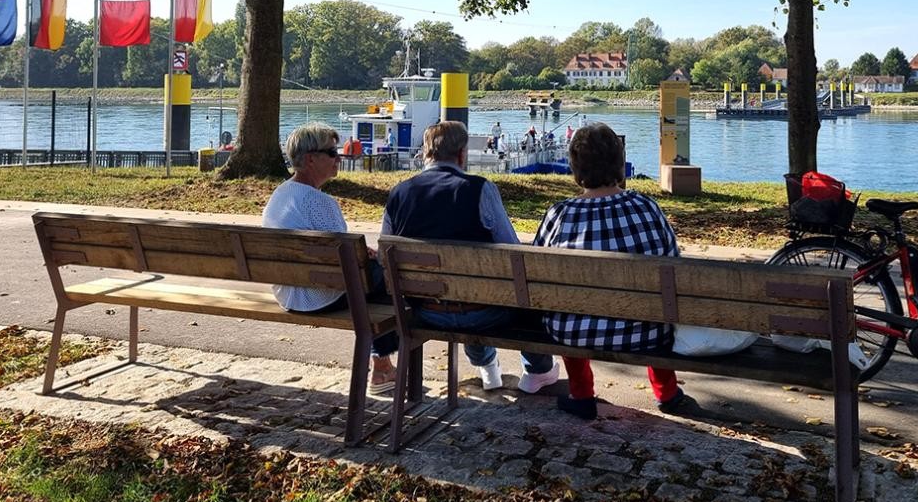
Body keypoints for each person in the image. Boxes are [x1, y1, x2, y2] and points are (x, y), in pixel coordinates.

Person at [533, 122, 696, 420]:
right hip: (646, 332)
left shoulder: (560, 214)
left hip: (574, 333)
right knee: (656, 302)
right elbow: (673, 264)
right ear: (619, 162)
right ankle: (668, 393)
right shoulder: (647, 206)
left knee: (568, 304)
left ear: (575, 167)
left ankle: (581, 394)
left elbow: (536, 272)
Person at [382, 120, 560, 393]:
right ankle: (537, 369)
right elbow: (512, 251)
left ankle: (488, 370)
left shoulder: (398, 193)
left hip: (425, 310)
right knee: (515, 286)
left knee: (466, 289)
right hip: (483, 311)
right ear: (462, 154)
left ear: (426, 153)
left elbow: (386, 253)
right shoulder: (479, 189)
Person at [263, 123, 397, 394]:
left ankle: (382, 366)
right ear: (311, 159)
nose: (339, 158)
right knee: (390, 278)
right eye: (332, 152)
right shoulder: (319, 202)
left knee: (374, 273)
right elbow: (347, 263)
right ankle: (381, 368)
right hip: (316, 296)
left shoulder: (280, 194)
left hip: (287, 291)